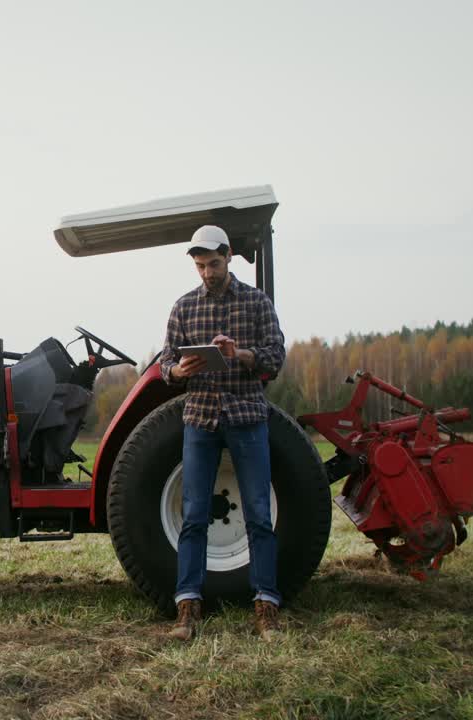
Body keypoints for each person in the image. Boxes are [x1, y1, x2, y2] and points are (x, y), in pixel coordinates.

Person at [158, 224, 287, 641]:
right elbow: (164, 368)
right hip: (200, 419)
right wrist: (180, 370)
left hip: (247, 416)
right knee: (194, 516)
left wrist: (241, 354)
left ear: (229, 256)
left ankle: (266, 605)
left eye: (213, 263)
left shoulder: (256, 302)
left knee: (259, 515)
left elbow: (275, 358)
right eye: (200, 266)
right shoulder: (182, 307)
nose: (207, 273)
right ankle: (188, 608)